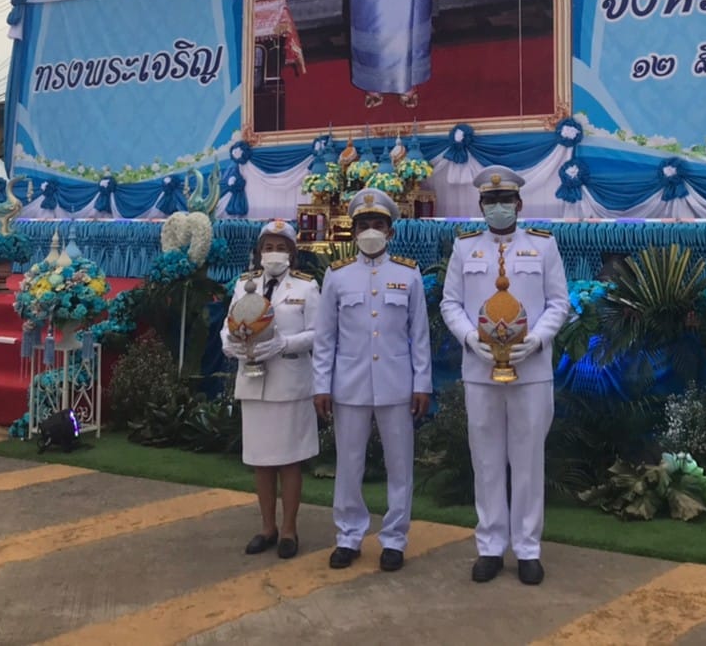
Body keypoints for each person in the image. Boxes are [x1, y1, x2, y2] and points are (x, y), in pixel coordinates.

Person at [441, 166, 569, 585]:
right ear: (481, 206)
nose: (498, 207)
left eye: (505, 200)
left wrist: (537, 340)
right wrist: (468, 339)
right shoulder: (465, 248)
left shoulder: (543, 245)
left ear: (519, 203)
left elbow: (558, 302)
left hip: (531, 370)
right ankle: (491, 546)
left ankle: (528, 548)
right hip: (480, 370)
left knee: (528, 460)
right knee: (486, 460)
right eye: (490, 201)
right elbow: (450, 303)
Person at [312, 188, 431, 571]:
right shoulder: (337, 275)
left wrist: (422, 383)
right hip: (350, 384)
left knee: (400, 466)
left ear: (390, 231)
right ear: (353, 230)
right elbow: (325, 337)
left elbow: (420, 334)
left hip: (397, 384)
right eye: (363, 224)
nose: (370, 231)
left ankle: (394, 539)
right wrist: (321, 385)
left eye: (377, 224)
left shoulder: (408, 273)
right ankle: (348, 536)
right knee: (349, 465)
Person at [220, 219, 321, 558]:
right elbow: (230, 324)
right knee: (261, 460)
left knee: (289, 461)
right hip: (253, 382)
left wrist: (284, 344)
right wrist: (230, 345)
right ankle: (267, 527)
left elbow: (319, 333)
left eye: (280, 247)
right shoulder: (244, 284)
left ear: (292, 253)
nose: (273, 253)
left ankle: (289, 529)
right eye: (268, 247)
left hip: (288, 382)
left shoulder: (306, 287)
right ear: (259, 251)